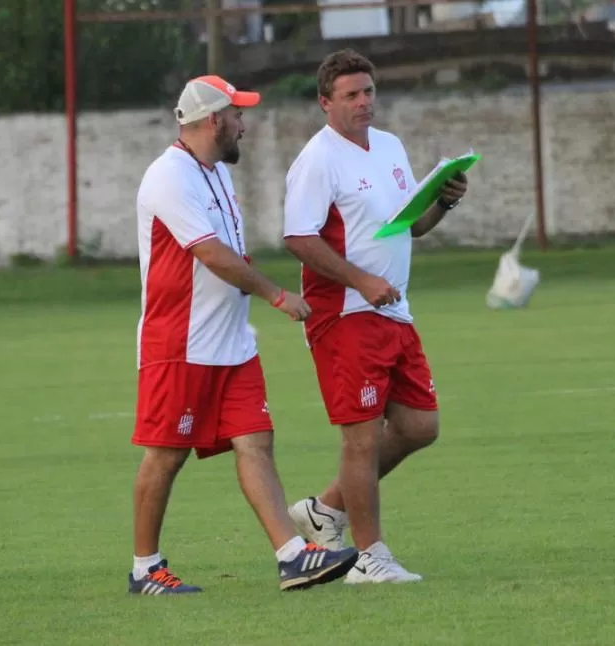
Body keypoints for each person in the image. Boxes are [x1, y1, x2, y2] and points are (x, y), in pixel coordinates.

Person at [129, 75, 359, 596]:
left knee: (256, 440)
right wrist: (277, 295)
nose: (244, 124)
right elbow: (211, 253)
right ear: (214, 120)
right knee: (166, 454)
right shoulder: (168, 176)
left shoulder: (214, 173)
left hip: (231, 341)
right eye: (238, 115)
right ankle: (145, 568)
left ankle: (293, 555)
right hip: (180, 343)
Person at [282, 50, 469, 584]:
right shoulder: (317, 160)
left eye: (368, 91)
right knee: (360, 439)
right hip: (344, 314)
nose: (364, 102)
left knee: (419, 425)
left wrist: (444, 202)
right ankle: (371, 558)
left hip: (393, 310)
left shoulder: (389, 146)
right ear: (326, 103)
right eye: (351, 95)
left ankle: (325, 509)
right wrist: (361, 280)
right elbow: (297, 236)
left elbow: (409, 226)